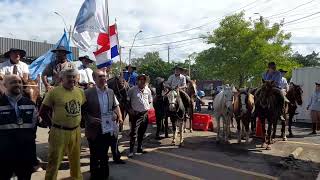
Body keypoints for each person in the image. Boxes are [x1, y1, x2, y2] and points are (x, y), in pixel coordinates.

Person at [39, 68, 86, 180]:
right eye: (69, 77)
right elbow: (43, 111)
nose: (72, 79)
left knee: (75, 161)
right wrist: (52, 126)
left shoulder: (80, 92)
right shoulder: (54, 92)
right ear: (62, 79)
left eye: (74, 77)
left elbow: (82, 108)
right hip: (59, 132)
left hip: (76, 131)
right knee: (54, 161)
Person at [82, 69, 124, 180]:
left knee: (104, 155)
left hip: (107, 128)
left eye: (104, 76)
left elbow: (114, 106)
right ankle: (94, 176)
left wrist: (118, 116)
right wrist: (90, 119)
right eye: (100, 76)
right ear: (94, 79)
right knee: (94, 155)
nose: (103, 78)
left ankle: (105, 176)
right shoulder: (87, 93)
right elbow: (82, 111)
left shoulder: (110, 92)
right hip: (94, 130)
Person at [0, 75, 37, 180]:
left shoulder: (30, 104)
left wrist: (32, 156)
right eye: (13, 82)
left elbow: (33, 131)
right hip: (4, 155)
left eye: (19, 82)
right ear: (4, 85)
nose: (17, 84)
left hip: (25, 155)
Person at [127, 74, 152, 157]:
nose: (142, 81)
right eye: (140, 79)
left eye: (144, 80)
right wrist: (130, 110)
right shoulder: (132, 90)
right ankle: (131, 151)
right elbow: (127, 101)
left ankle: (139, 148)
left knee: (142, 132)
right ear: (137, 81)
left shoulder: (148, 90)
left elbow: (149, 101)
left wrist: (144, 107)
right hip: (135, 115)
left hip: (145, 114)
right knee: (134, 133)